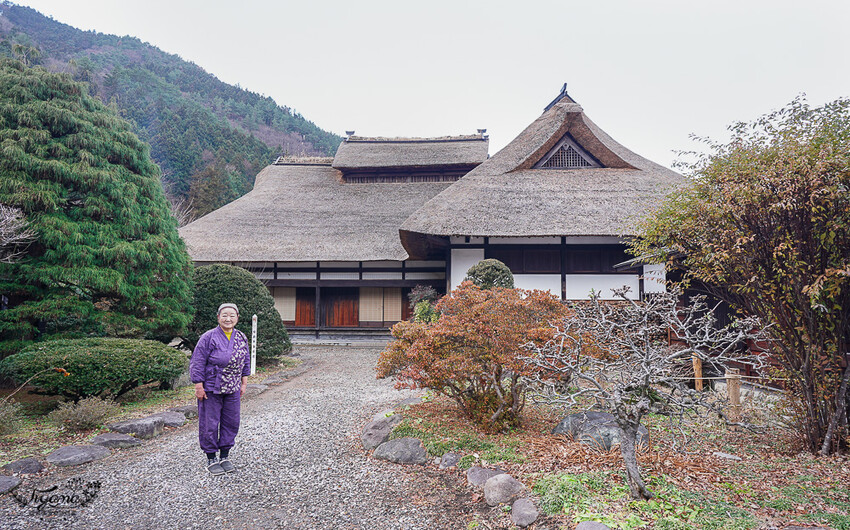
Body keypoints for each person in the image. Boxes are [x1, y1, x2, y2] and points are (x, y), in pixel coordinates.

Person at [190, 303, 250, 476]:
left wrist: (244, 382)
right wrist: (198, 385)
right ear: (218, 317)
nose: (228, 319)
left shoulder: (241, 337)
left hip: (232, 387)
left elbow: (245, 361)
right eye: (224, 315)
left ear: (237, 318)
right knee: (210, 422)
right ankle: (211, 457)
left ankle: (225, 455)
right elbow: (198, 361)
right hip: (211, 387)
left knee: (231, 421)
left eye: (232, 315)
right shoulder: (208, 337)